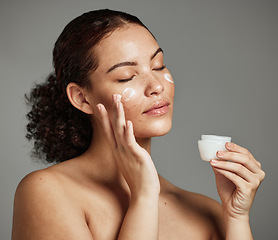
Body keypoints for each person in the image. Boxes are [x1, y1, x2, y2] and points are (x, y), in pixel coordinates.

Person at [12, 9, 265, 240]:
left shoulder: (209, 211)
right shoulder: (47, 193)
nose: (157, 86)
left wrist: (236, 219)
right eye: (126, 77)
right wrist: (143, 198)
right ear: (82, 98)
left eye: (159, 65)